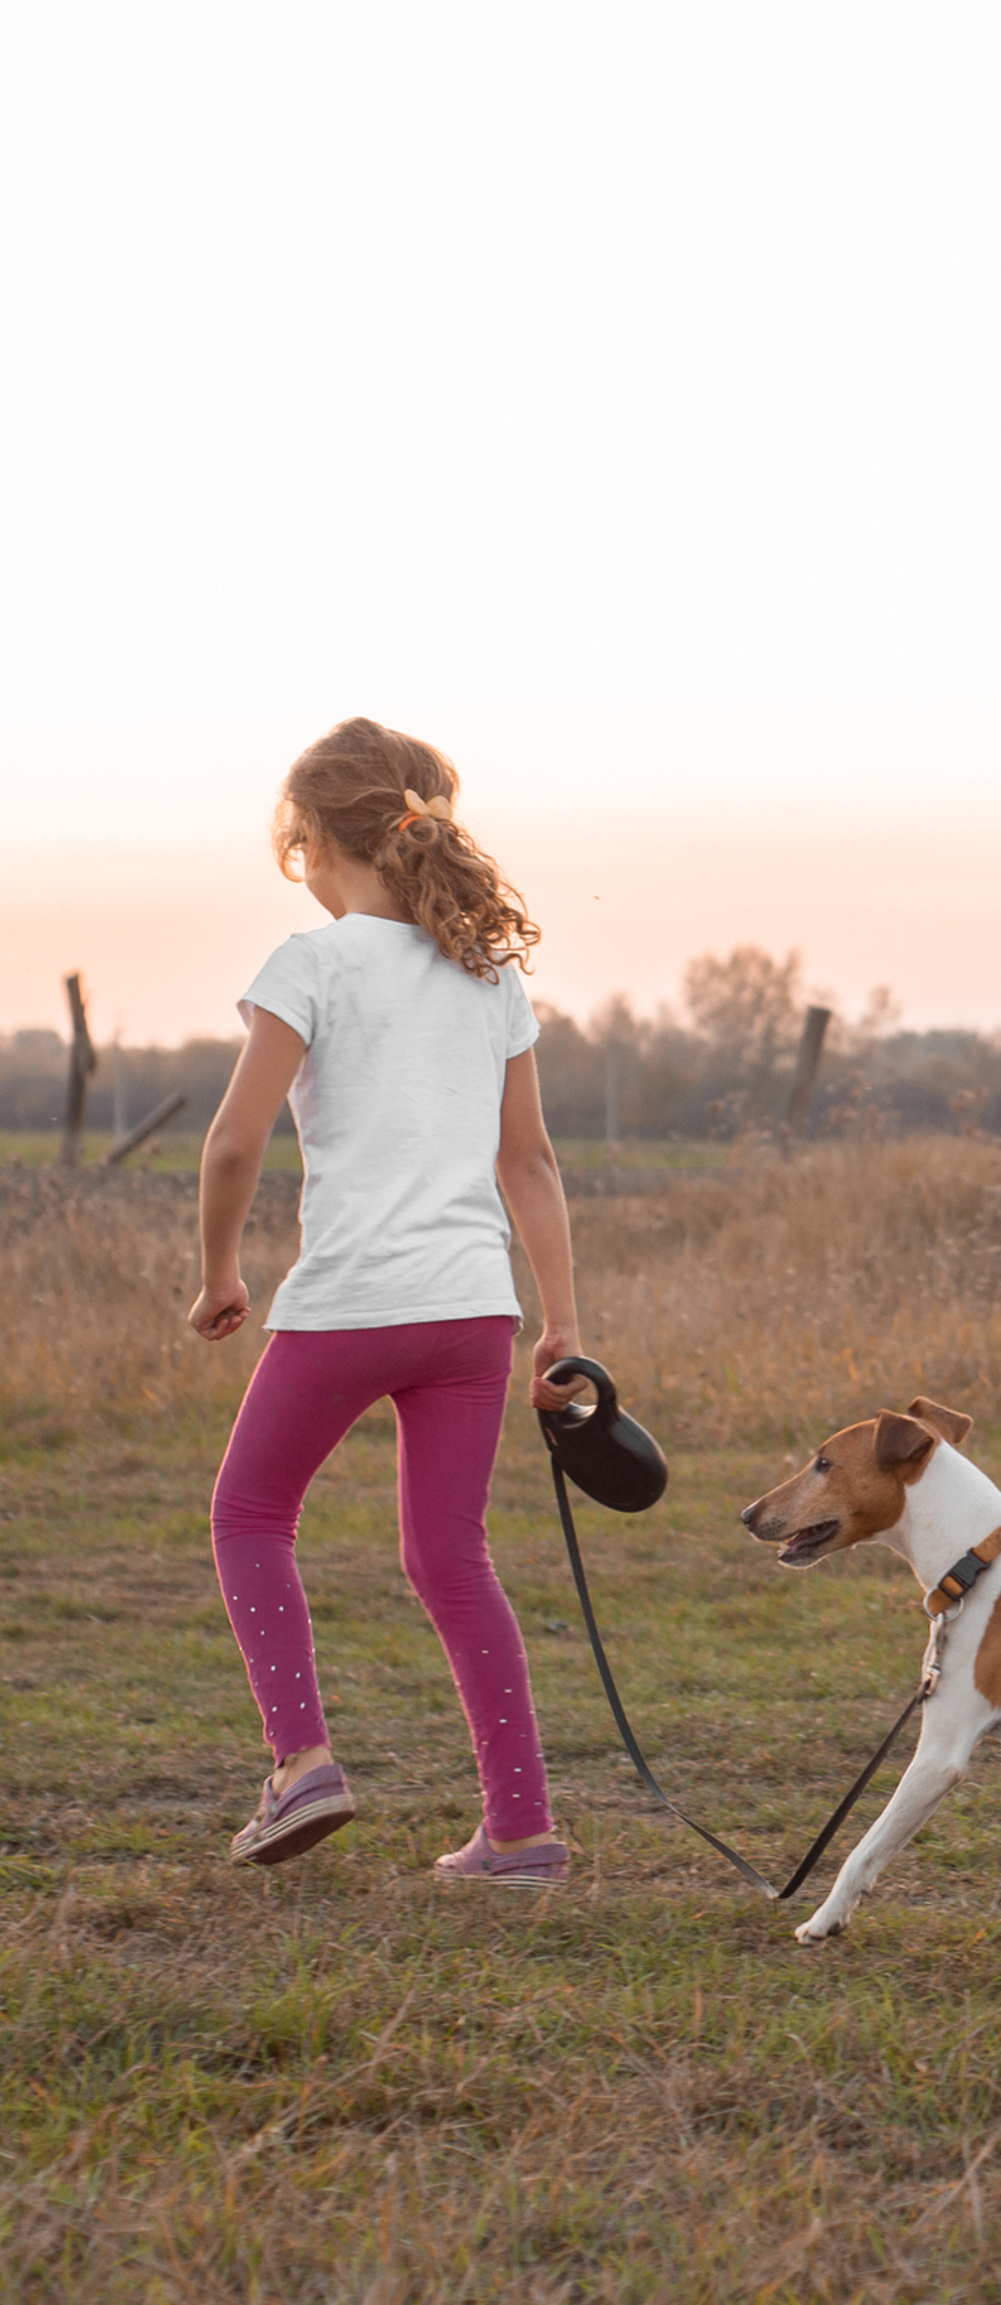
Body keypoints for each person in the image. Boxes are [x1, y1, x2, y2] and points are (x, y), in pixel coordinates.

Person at [188, 717, 583, 1888]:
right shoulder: (490, 974)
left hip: (350, 1301)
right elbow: (533, 1164)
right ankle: (520, 1831)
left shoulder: (308, 964)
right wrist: (560, 1322)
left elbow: (230, 1145)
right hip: (472, 1314)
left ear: (309, 839)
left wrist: (219, 1274)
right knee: (453, 1559)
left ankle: (300, 1762)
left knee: (249, 1514)